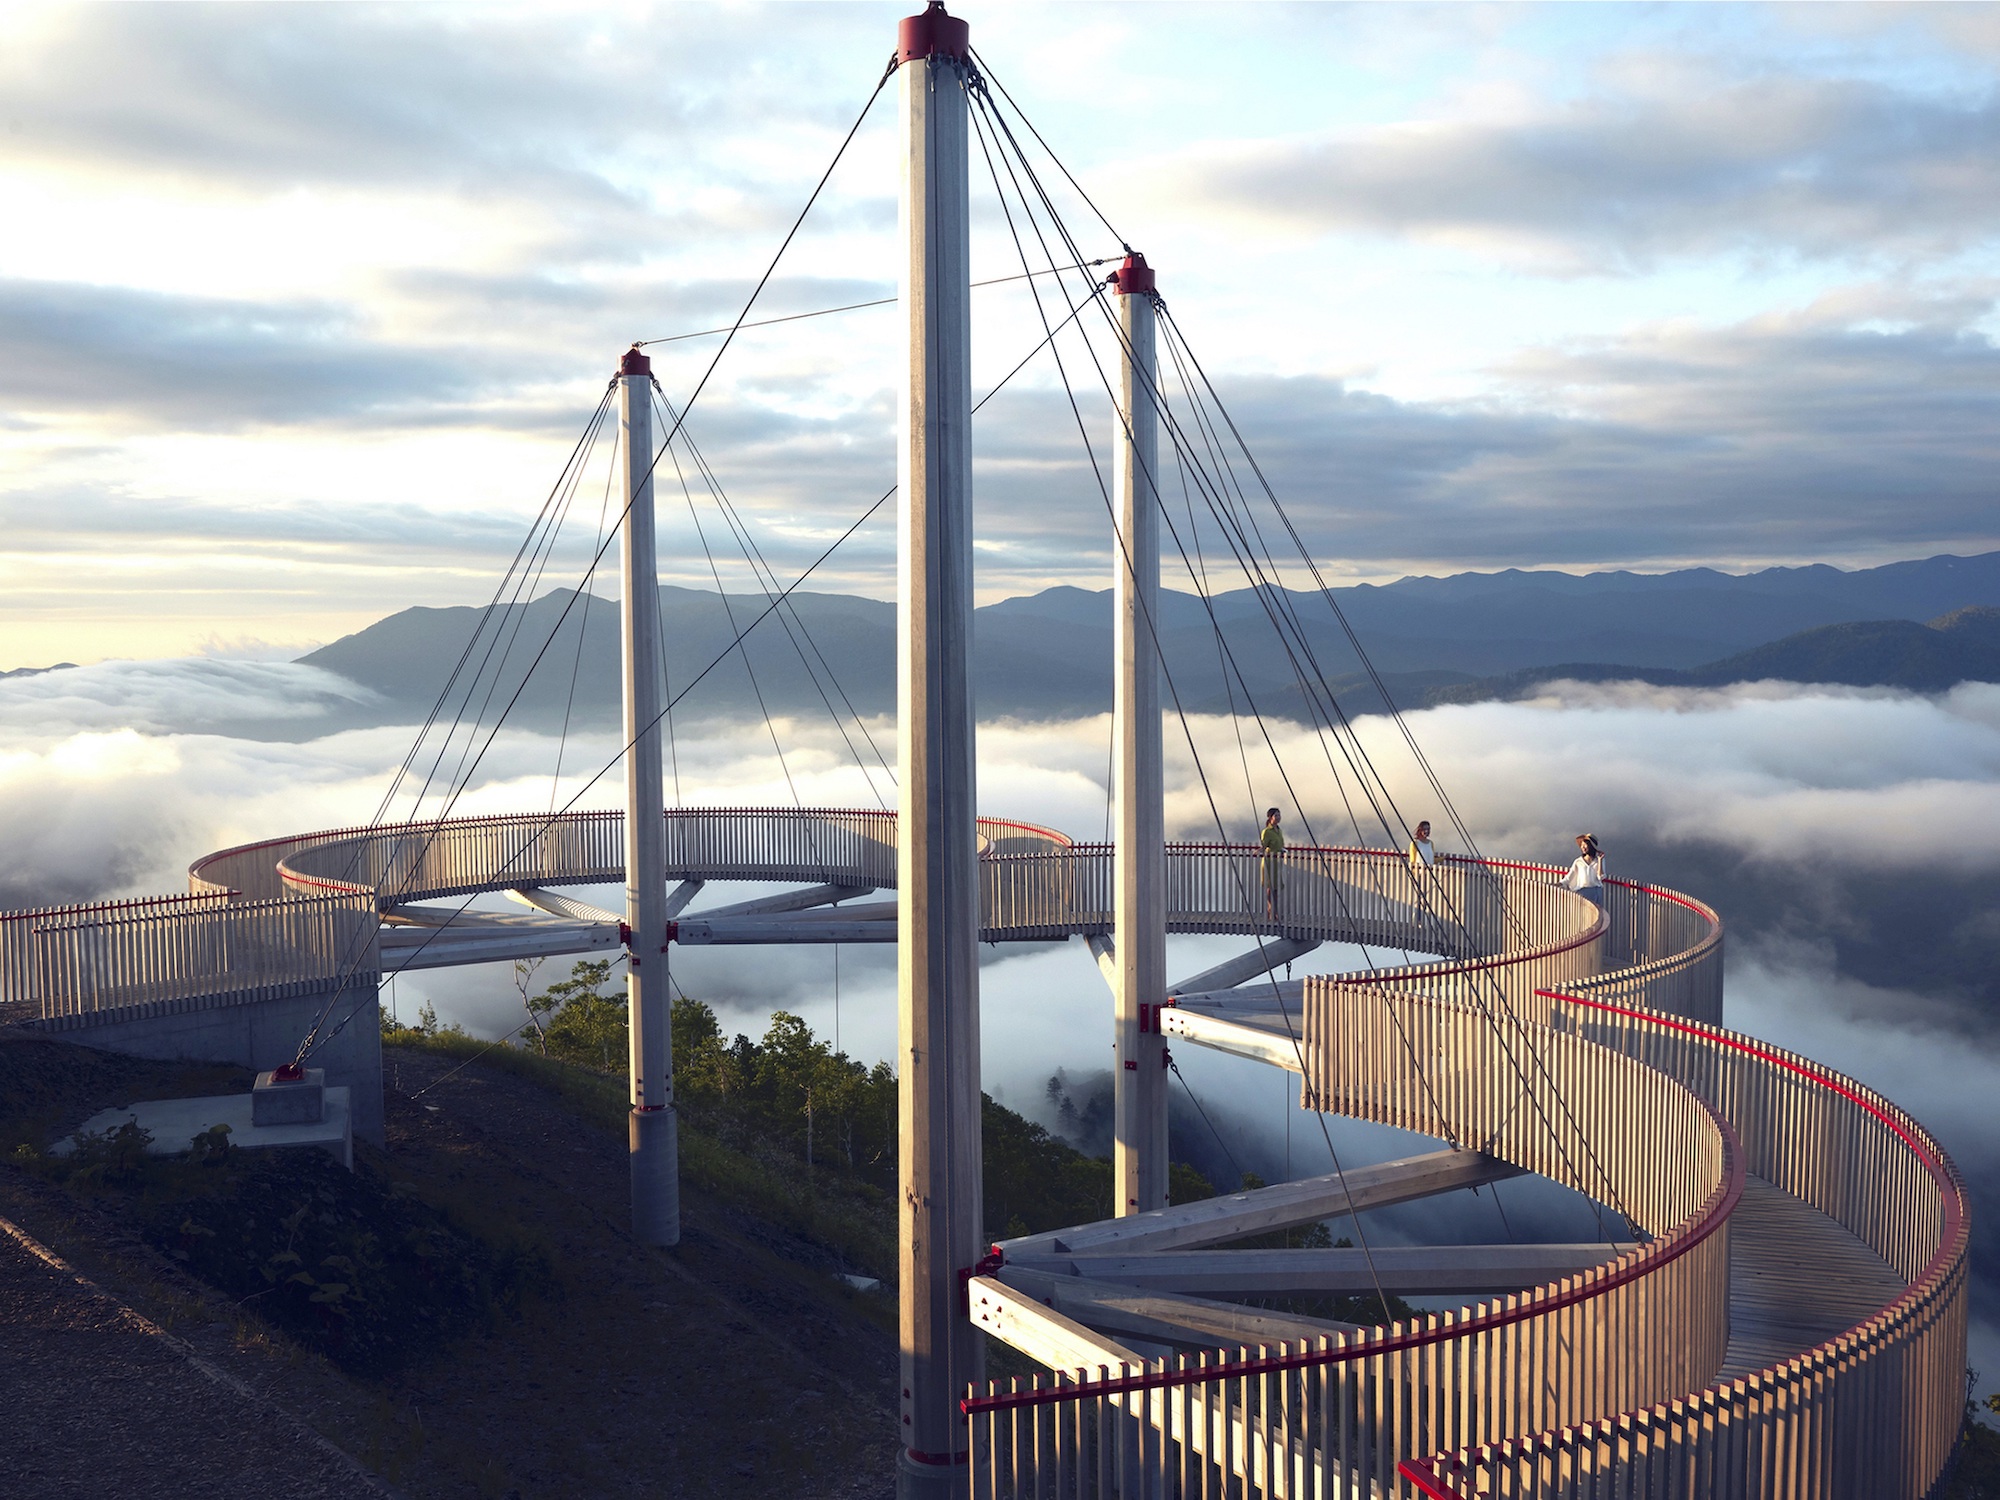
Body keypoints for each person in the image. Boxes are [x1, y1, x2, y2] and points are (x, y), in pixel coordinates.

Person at [1561, 833, 1605, 908]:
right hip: (1583, 892)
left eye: (1585, 845)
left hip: (1596, 892)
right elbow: (1568, 878)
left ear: (1591, 846)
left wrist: (1600, 860)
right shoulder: (1578, 862)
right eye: (1581, 845)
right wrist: (1558, 884)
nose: (1583, 847)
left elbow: (1600, 877)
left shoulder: (1598, 860)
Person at [1259, 807, 1284, 921]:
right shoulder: (1267, 832)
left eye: (1279, 815)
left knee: (1276, 887)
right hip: (1269, 861)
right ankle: (1271, 911)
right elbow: (1264, 846)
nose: (1278, 817)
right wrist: (1260, 850)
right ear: (1270, 818)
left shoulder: (1279, 830)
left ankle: (1276, 911)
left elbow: (1280, 845)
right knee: (1270, 887)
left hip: (1277, 861)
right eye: (1276, 816)